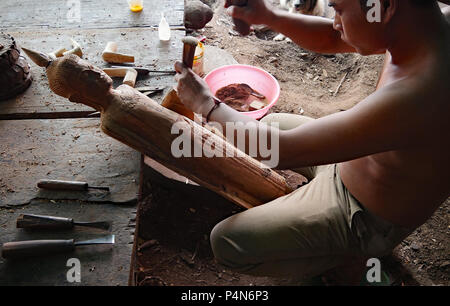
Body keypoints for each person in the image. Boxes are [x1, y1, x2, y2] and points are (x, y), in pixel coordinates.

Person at [174, 0, 450, 283]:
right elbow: (333, 37)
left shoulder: (421, 94)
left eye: (340, 10)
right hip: (349, 161)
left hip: (361, 213)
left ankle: (348, 261)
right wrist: (269, 15)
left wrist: (207, 104)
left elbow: (281, 150)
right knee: (266, 125)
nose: (335, 21)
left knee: (226, 242)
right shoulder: (421, 26)